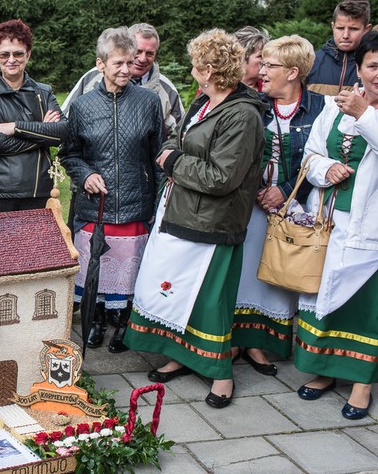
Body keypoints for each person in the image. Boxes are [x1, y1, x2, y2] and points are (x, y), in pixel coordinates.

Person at [125, 29, 266, 409]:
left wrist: (172, 162)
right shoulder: (204, 100)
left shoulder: (243, 115)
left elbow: (222, 177)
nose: (190, 71)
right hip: (183, 211)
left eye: (193, 65)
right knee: (179, 295)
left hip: (214, 223)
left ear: (207, 69)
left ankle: (221, 374)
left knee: (209, 301)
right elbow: (179, 138)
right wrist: (171, 151)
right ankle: (182, 355)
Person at [61, 27, 163, 353]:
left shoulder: (148, 102)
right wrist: (86, 173)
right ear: (100, 63)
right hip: (95, 206)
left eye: (129, 63)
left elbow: (157, 155)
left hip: (136, 203)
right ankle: (97, 321)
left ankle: (125, 326)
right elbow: (69, 153)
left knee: (129, 269)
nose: (125, 70)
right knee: (97, 268)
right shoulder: (82, 107)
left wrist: (157, 203)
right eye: (118, 63)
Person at [294, 31, 378, 420]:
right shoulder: (333, 106)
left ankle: (362, 383)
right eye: (373, 66)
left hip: (371, 230)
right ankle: (325, 371)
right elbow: (309, 155)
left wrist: (365, 114)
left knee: (364, 308)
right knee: (324, 298)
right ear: (358, 68)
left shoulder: (359, 110)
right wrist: (327, 169)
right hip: (327, 221)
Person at [232, 36, 325, 376]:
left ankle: (260, 343)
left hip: (294, 209)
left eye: (271, 65)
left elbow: (320, 160)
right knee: (246, 275)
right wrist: (259, 189)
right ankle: (236, 339)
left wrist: (285, 191)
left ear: (293, 72)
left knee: (277, 277)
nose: (262, 70)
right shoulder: (253, 103)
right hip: (252, 204)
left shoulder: (320, 109)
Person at [0, 19, 67, 213]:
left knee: (34, 244)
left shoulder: (44, 92)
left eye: (18, 53)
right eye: (5, 54)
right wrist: (41, 134)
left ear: (28, 54)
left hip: (38, 190)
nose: (11, 59)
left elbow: (62, 133)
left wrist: (15, 127)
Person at [62, 23, 184, 139]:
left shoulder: (167, 90)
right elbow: (65, 119)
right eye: (138, 51)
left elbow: (177, 137)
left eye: (149, 54)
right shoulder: (92, 77)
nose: (142, 59)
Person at [307, 0, 373, 96]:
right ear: (333, 27)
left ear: (366, 30)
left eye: (353, 29)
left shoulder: (373, 65)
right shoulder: (310, 61)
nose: (345, 35)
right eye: (340, 28)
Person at [233, 26, 269, 91]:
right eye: (260, 56)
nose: (265, 61)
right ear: (241, 57)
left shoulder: (270, 90)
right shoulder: (223, 89)